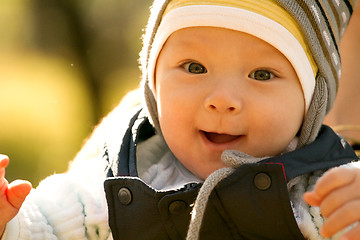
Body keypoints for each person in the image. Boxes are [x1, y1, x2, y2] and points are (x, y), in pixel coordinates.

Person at [1, 0, 360, 239]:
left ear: (311, 102)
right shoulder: (123, 178)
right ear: (153, 85)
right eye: (194, 67)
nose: (222, 100)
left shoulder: (324, 192)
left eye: (262, 74)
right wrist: (11, 221)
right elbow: (45, 226)